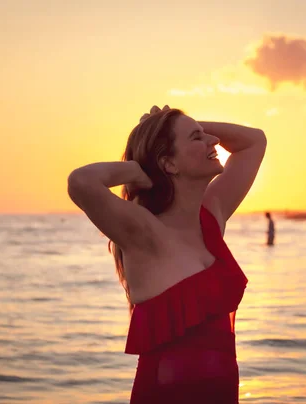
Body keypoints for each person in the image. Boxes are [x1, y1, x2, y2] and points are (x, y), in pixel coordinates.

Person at [67, 105, 266, 403]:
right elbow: (81, 182)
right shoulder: (143, 231)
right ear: (169, 164)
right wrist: (139, 169)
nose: (213, 140)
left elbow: (254, 141)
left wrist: (185, 125)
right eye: (197, 138)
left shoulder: (211, 217)